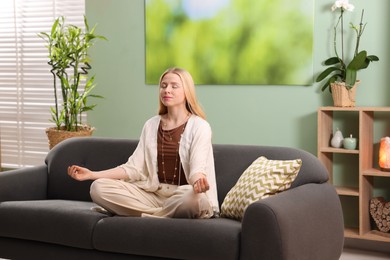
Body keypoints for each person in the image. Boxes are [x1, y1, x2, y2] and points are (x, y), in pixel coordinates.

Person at [67, 67, 219, 218]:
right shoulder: (151, 125)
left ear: (187, 91)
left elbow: (197, 169)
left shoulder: (200, 126)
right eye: (163, 86)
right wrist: (92, 175)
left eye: (174, 86)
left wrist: (198, 180)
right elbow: (133, 168)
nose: (167, 90)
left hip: (183, 196)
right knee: (98, 188)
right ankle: (163, 216)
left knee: (194, 197)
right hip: (153, 196)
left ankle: (148, 216)